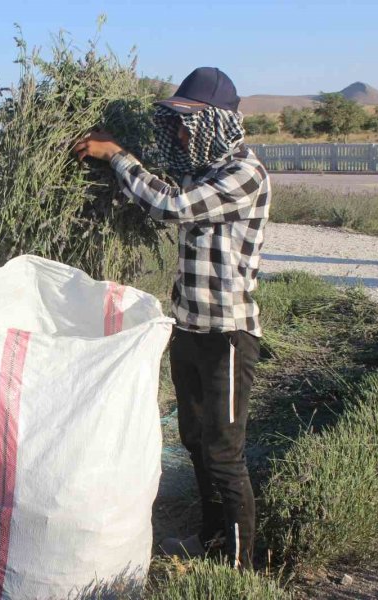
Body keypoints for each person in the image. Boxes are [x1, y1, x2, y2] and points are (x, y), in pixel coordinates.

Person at [73, 67, 271, 570]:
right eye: (177, 123)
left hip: (227, 334)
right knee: (195, 440)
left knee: (224, 453)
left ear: (218, 123)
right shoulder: (198, 170)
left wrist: (117, 155)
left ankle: (238, 568)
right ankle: (211, 539)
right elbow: (157, 189)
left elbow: (170, 206)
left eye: (189, 123)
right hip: (188, 328)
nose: (180, 133)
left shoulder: (244, 174)